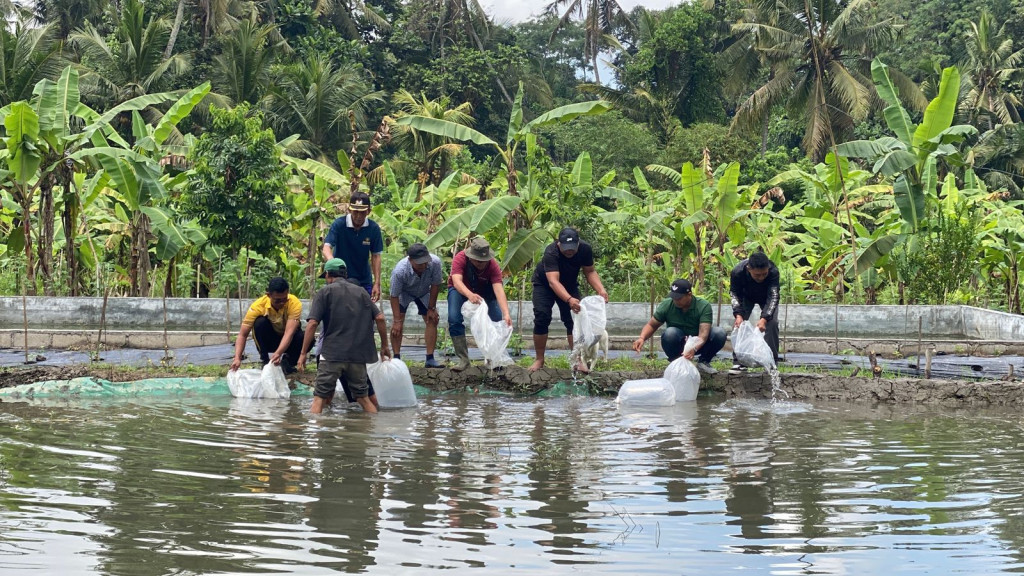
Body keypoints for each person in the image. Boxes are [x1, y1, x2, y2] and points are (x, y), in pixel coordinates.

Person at [298, 258, 391, 414]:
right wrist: (384, 346)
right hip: (357, 356)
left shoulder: (324, 292)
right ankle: (376, 431)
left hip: (332, 354)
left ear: (328, 274)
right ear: (345, 274)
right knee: (363, 398)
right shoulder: (361, 291)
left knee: (319, 398)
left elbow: (312, 323)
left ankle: (315, 436)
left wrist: (302, 353)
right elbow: (380, 318)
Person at [528, 227, 609, 372]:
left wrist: (601, 289)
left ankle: (578, 360)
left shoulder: (585, 249)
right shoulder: (551, 252)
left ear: (578, 244)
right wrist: (569, 299)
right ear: (559, 244)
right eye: (566, 248)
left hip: (569, 284)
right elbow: (553, 282)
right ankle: (539, 359)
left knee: (574, 320)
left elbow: (589, 271)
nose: (569, 251)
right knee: (542, 316)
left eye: (572, 248)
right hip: (544, 284)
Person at [632, 278, 726, 374]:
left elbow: (703, 336)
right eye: (673, 297)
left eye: (679, 298)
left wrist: (693, 348)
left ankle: (704, 362)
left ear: (689, 295)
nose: (675, 301)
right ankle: (676, 363)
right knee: (670, 333)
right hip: (679, 343)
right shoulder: (667, 305)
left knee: (719, 333)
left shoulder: (703, 306)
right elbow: (652, 325)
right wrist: (642, 338)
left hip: (699, 345)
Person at [447, 236, 512, 371]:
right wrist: (469, 295)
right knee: (454, 318)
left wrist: (506, 313)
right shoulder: (460, 258)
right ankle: (463, 360)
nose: (480, 264)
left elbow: (498, 289)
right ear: (470, 257)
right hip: (459, 289)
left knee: (497, 319)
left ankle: (492, 359)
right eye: (477, 261)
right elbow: (457, 281)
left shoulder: (493, 265)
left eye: (483, 261)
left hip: (484, 291)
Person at [230, 277, 303, 374]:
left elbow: (289, 333)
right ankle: (265, 360)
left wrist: (278, 353)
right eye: (277, 300)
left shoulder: (294, 303)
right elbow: (243, 334)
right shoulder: (258, 306)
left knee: (305, 337)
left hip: (288, 340)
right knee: (259, 323)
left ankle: (288, 362)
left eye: (284, 299)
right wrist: (237, 358)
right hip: (271, 340)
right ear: (269, 295)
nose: (281, 303)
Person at [321, 192, 384, 302]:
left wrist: (377, 283)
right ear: (349, 210)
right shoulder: (339, 225)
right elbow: (327, 248)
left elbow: (376, 256)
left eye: (362, 212)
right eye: (355, 212)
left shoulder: (373, 229)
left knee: (364, 311)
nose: (358, 216)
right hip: (339, 278)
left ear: (368, 211)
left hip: (363, 280)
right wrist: (334, 263)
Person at [389, 242, 444, 368]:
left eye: (425, 262)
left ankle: (430, 358)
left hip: (424, 291)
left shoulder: (435, 263)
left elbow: (436, 285)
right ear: (410, 260)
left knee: (432, 319)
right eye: (419, 263)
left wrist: (432, 308)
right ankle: (396, 358)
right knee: (398, 323)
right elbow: (394, 296)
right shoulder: (400, 271)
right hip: (405, 292)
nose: (423, 266)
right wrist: (397, 320)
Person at [729, 251, 781, 372]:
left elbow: (773, 296)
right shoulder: (737, 272)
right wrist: (738, 314)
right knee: (740, 325)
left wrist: (764, 318)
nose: (761, 278)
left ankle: (772, 362)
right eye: (757, 275)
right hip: (746, 297)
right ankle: (739, 361)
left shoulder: (773, 272)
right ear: (749, 269)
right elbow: (734, 293)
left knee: (772, 323)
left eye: (764, 274)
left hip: (766, 297)